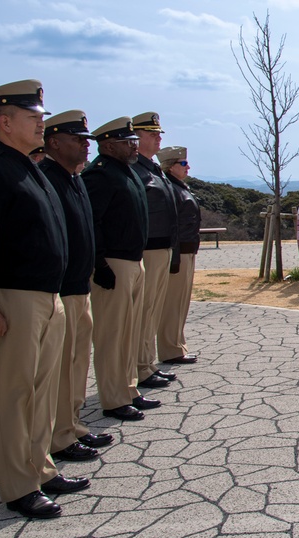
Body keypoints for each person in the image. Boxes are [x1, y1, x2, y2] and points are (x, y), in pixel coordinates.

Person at [0, 79, 89, 520]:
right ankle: (17, 484)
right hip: (14, 295)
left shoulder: (27, 167)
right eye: (33, 118)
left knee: (42, 391)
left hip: (48, 294)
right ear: (4, 121)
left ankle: (39, 468)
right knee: (14, 394)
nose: (41, 124)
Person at [39, 110, 114, 463]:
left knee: (76, 361)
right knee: (61, 365)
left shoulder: (73, 178)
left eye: (87, 142)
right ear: (54, 143)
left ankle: (71, 425)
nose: (86, 147)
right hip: (62, 286)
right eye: (77, 141)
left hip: (78, 284)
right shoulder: (49, 177)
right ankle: (59, 435)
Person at [83, 116, 153, 422]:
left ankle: (128, 388)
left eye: (134, 141)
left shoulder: (126, 171)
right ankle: (113, 397)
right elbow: (93, 223)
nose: (133, 146)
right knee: (113, 334)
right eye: (128, 142)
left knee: (129, 331)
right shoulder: (99, 175)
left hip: (133, 260)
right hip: (114, 262)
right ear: (108, 145)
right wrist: (100, 263)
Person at [130, 112, 179, 392]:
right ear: (136, 138)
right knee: (143, 310)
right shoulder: (136, 168)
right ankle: (139, 366)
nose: (159, 137)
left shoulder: (151, 167)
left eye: (159, 133)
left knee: (152, 310)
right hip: (147, 248)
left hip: (161, 247)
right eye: (152, 133)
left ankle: (147, 365)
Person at [156, 146, 201, 366]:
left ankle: (176, 344)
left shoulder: (179, 186)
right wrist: (173, 256)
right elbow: (171, 225)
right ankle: (169, 348)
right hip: (179, 251)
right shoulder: (170, 188)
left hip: (187, 250)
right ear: (170, 166)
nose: (188, 167)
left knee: (181, 302)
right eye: (183, 164)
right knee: (173, 303)